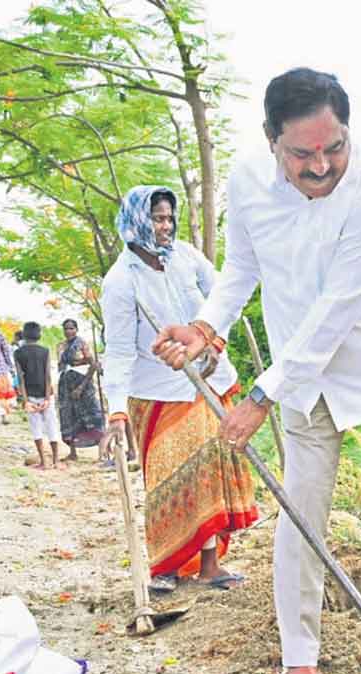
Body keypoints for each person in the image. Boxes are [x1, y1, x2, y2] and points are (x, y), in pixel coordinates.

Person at [152, 67, 361, 674]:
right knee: (300, 515)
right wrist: (204, 327)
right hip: (304, 387)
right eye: (303, 153)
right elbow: (242, 266)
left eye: (334, 147)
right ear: (272, 140)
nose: (322, 165)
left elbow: (337, 309)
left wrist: (260, 396)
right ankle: (300, 660)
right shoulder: (248, 182)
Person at [101, 185, 259, 595]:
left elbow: (226, 298)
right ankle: (165, 566)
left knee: (207, 474)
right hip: (157, 393)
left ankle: (209, 566)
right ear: (138, 221)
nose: (165, 227)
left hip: (206, 381)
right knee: (168, 480)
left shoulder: (188, 258)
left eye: (169, 218)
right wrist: (115, 411)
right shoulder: (120, 281)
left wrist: (214, 343)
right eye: (157, 219)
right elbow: (117, 351)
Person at [55, 318, 107, 463]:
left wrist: (81, 387)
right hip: (66, 385)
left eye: (71, 328)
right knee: (69, 416)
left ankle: (102, 453)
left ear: (76, 329)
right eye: (66, 329)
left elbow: (94, 365)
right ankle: (72, 453)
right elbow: (60, 366)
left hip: (83, 384)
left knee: (93, 416)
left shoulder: (83, 344)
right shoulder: (60, 346)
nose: (68, 331)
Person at [14, 321, 61, 470]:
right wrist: (47, 398)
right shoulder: (45, 351)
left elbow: (20, 378)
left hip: (31, 396)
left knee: (36, 428)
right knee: (52, 426)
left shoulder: (18, 353)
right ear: (39, 334)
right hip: (45, 394)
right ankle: (56, 461)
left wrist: (26, 400)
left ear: (24, 334)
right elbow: (48, 376)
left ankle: (43, 461)